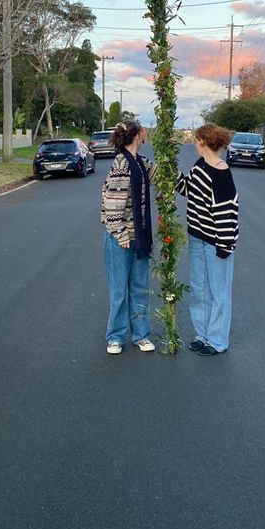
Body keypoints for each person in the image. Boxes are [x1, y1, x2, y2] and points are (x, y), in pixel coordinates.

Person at [176, 123, 239, 355]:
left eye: (196, 139)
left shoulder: (221, 172)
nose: (194, 143)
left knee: (218, 292)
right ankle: (202, 334)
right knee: (199, 289)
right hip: (196, 236)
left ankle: (217, 340)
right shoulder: (200, 165)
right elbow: (188, 189)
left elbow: (227, 213)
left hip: (216, 242)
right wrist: (171, 174)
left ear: (203, 142)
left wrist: (224, 245)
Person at [101, 120, 157, 355]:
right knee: (118, 290)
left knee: (139, 287)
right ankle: (115, 336)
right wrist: (121, 234)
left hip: (140, 237)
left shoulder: (140, 163)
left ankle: (141, 335)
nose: (145, 134)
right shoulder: (122, 164)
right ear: (137, 136)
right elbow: (111, 204)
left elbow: (161, 175)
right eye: (143, 131)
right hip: (120, 239)